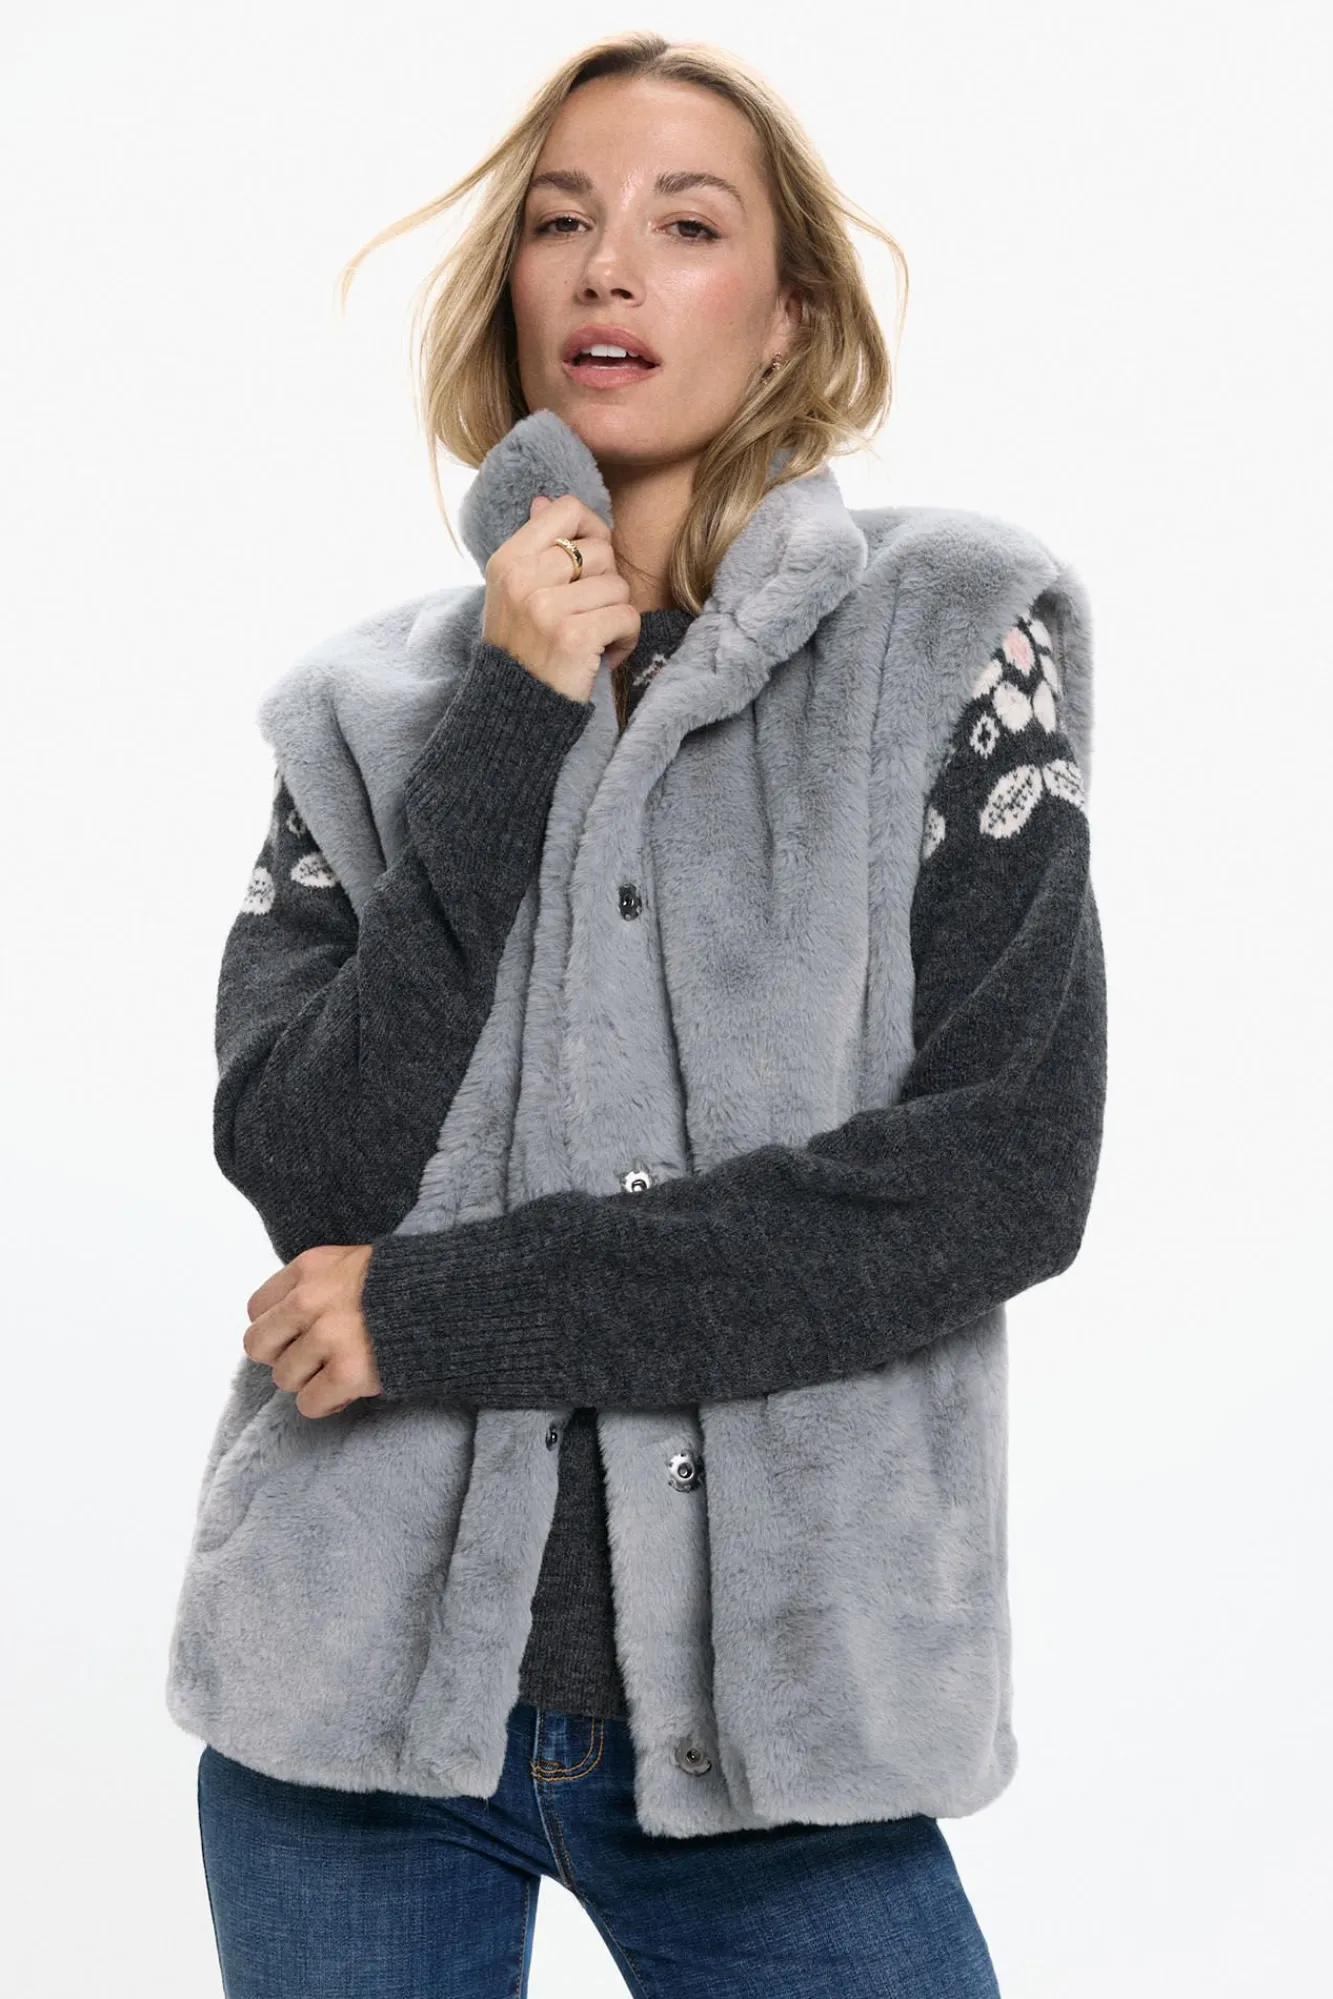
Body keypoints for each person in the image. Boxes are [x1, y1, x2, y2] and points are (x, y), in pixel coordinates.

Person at [168, 31, 1107, 1998]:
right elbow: (309, 1166)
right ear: (511, 292)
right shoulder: (360, 715)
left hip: (789, 1747)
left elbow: (997, 1177)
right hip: (344, 1727)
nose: (609, 266)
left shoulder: (955, 637)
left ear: (790, 316)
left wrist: (445, 1312)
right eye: (560, 222)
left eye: (687, 225)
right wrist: (515, 710)